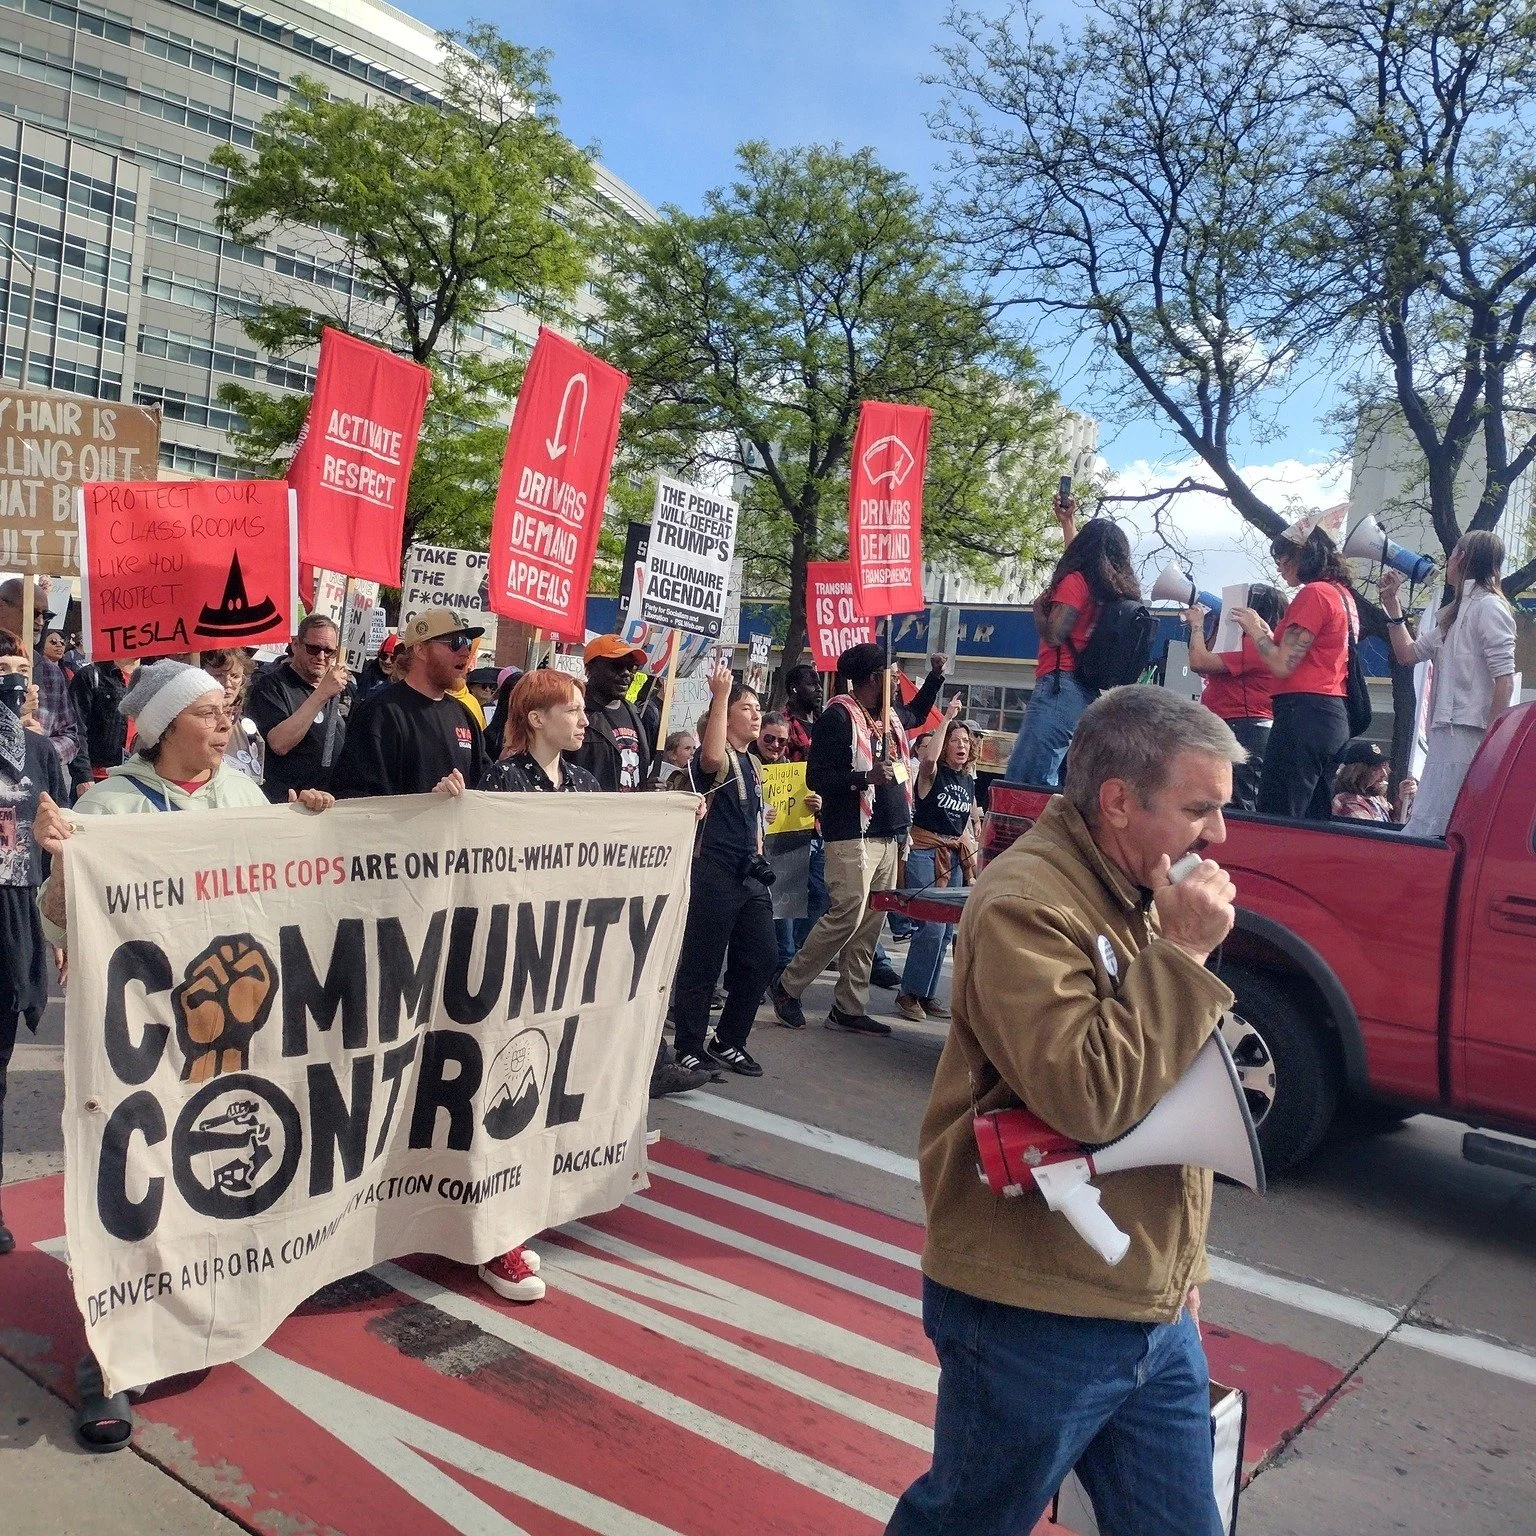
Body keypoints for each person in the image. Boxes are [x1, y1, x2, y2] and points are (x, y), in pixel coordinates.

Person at [887, 687, 1243, 1536]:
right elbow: (1088, 1094)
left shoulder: (1137, 888)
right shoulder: (1027, 902)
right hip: (1037, 1311)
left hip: (1144, 1303)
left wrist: (1181, 1266)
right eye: (1199, 809)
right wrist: (1185, 952)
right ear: (1118, 800)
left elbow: (1170, 1083)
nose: (1219, 836)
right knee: (966, 1521)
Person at [32, 659, 334, 1453]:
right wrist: (62, 859)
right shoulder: (110, 806)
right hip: (137, 1038)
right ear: (165, 727)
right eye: (208, 713)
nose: (226, 724)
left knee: (216, 1172)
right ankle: (108, 1358)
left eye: (227, 710)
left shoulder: (244, 796)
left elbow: (291, 896)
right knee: (129, 1181)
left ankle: (205, 1310)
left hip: (233, 1033)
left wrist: (312, 825)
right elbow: (58, 921)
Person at [439, 669, 600, 1303]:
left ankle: (509, 1218)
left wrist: (670, 818)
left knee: (541, 1085)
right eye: (571, 709)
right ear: (535, 718)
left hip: (562, 959)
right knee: (501, 1082)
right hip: (509, 956)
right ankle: (492, 1236)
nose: (583, 720)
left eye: (584, 709)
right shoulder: (503, 781)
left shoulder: (585, 783)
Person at [770, 642, 906, 1037]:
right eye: (892, 674)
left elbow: (916, 715)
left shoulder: (887, 719)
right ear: (873, 679)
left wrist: (935, 678)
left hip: (887, 835)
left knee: (870, 925)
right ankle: (787, 985)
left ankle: (849, 1007)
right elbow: (817, 777)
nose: (898, 681)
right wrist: (864, 778)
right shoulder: (838, 717)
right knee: (847, 914)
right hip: (851, 834)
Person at [672, 661, 780, 1078]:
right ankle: (688, 1045)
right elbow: (712, 756)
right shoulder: (715, 758)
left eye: (757, 708)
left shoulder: (754, 763)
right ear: (726, 715)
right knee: (703, 962)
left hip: (749, 875)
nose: (756, 715)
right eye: (746, 708)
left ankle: (729, 1039)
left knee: (763, 957)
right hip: (713, 871)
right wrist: (720, 695)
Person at [1379, 530, 1516, 838]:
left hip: (1468, 732)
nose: (1447, 561)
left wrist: (1491, 741)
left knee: (1438, 822)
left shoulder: (1489, 607)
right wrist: (1392, 605)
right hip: (1449, 732)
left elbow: (1505, 680)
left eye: (1451, 554)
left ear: (1462, 557)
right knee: (1433, 820)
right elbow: (1408, 654)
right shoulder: (1456, 613)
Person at [0, 633, 67, 1256]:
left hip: (14, 918)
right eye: (3, 671)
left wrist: (59, 924)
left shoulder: (40, 752)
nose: (15, 682)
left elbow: (60, 841)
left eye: (22, 672)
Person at [1233, 525, 1360, 821]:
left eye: (1282, 560)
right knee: (1313, 819)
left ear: (1303, 554)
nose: (1279, 569)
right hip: (1331, 714)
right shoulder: (1342, 595)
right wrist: (1266, 633)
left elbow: (1281, 664)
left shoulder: (1314, 593)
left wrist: (1254, 631)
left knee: (1278, 816)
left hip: (1303, 713)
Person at [1005, 517, 1141, 788]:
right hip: (1085, 693)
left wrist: (1038, 611)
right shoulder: (1110, 592)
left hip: (1059, 685)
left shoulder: (1075, 581)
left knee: (1027, 779)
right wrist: (1067, 523)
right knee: (1060, 779)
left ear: (1083, 547)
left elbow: (1055, 633)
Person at [331, 609, 489, 798]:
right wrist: (427, 802)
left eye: (467, 643)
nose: (465, 652)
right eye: (455, 643)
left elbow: (483, 785)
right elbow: (359, 794)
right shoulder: (380, 712)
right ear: (420, 650)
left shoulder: (463, 714)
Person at [895, 700, 977, 1023]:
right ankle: (908, 994)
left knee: (944, 931)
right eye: (955, 740)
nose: (961, 745)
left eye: (966, 741)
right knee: (930, 926)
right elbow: (928, 758)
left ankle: (925, 994)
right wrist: (948, 719)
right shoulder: (931, 773)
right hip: (925, 850)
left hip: (953, 856)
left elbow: (964, 824)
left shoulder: (967, 780)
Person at [1184, 584, 1285, 810]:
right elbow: (1208, 666)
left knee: (1239, 802)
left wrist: (1197, 626)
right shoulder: (1260, 643)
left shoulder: (1255, 644)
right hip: (1238, 725)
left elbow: (1199, 661)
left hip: (1244, 728)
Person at [246, 614, 352, 803]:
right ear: (295, 645)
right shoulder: (272, 686)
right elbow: (279, 743)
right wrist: (321, 694)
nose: (321, 657)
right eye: (313, 649)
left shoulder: (338, 689)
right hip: (290, 801)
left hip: (329, 799)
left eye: (329, 651)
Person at [0, 578, 81, 771]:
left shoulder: (50, 672)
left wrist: (39, 747)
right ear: (2, 608)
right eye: (33, 612)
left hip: (36, 784)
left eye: (46, 615)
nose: (40, 622)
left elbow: (70, 736)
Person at [574, 637, 654, 790]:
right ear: (590, 669)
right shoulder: (575, 712)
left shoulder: (635, 713)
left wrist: (648, 787)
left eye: (632, 668)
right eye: (617, 666)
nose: (626, 673)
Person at [69, 654, 135, 785]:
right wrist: (83, 776)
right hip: (99, 777)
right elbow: (76, 728)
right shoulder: (91, 675)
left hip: (142, 775)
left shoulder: (154, 675)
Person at [202, 648, 263, 783]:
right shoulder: (193, 723)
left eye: (235, 676)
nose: (228, 684)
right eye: (218, 675)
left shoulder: (246, 726)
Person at [1331, 741, 1395, 821]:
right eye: (1376, 768)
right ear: (1358, 772)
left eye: (1383, 767)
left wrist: (1401, 801)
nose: (1384, 774)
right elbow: (1370, 828)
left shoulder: (1376, 798)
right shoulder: (1349, 802)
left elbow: (1397, 822)